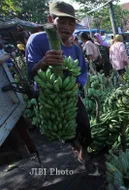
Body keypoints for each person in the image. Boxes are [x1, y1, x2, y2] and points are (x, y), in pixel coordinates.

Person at [26, 1, 99, 175]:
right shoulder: (37, 40)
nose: (67, 27)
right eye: (62, 21)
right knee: (64, 128)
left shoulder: (75, 48)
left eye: (71, 23)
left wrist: (77, 84)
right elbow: (31, 73)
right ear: (51, 20)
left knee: (84, 124)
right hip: (48, 93)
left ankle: (83, 150)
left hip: (70, 93)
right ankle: (75, 147)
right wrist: (43, 62)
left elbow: (82, 71)